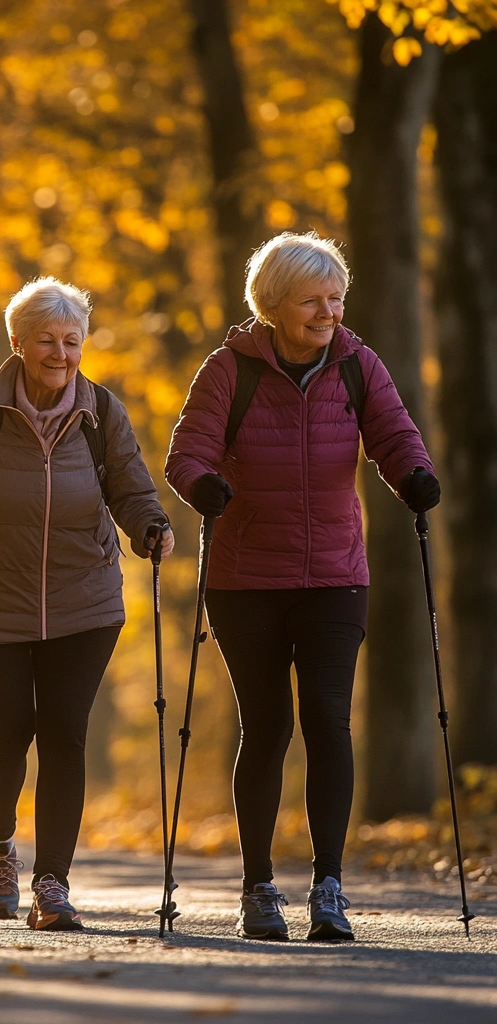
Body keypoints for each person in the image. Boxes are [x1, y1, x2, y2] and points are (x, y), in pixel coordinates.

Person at [165, 232, 441, 942]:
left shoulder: (357, 363)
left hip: (335, 577)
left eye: (336, 297)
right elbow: (187, 450)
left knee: (328, 719)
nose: (329, 311)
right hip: (247, 577)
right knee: (266, 727)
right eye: (313, 300)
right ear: (275, 304)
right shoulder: (231, 369)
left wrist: (413, 478)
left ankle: (328, 887)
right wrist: (204, 485)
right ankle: (258, 888)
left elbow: (394, 434)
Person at [0, 277, 174, 931]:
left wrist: (151, 527)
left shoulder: (103, 411)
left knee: (65, 731)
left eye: (71, 341)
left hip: (84, 599)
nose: (60, 354)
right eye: (47, 342)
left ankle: (52, 883)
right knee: (7, 728)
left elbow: (131, 486)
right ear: (18, 344)